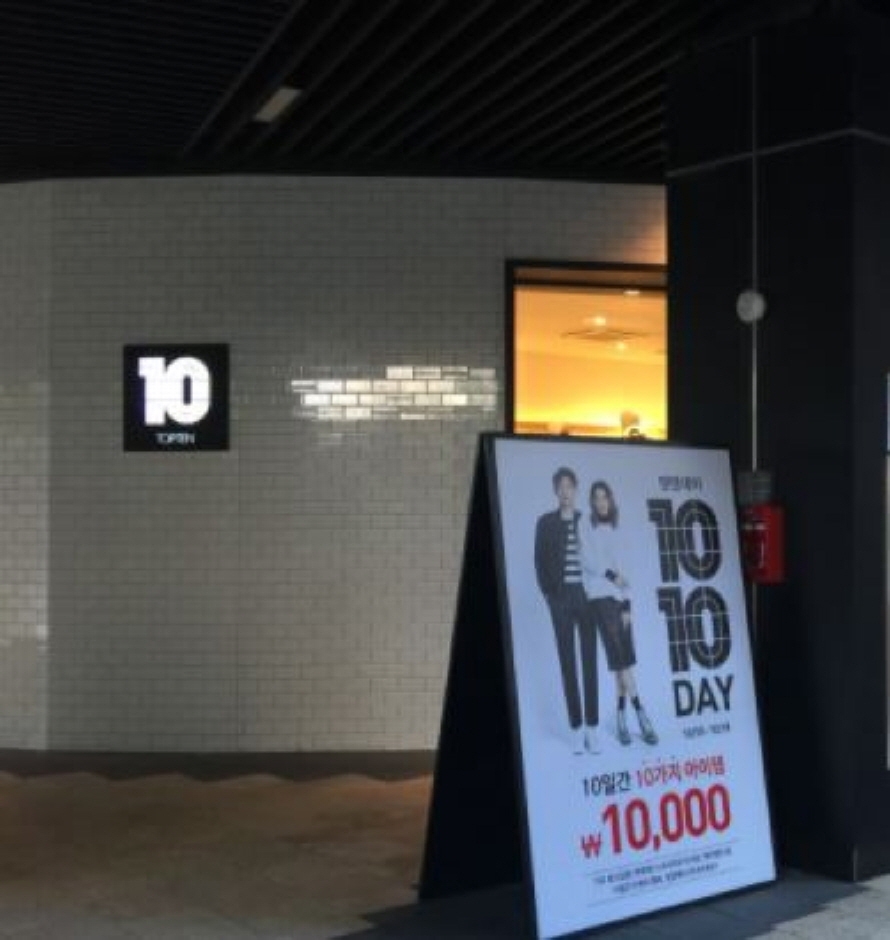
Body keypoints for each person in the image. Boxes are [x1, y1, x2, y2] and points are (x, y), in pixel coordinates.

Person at [581, 480, 658, 746]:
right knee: (622, 662)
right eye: (596, 497)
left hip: (619, 602)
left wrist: (628, 605)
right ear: (592, 502)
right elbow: (587, 560)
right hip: (600, 600)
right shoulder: (587, 527)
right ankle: (642, 714)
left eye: (605, 497)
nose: (601, 502)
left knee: (621, 663)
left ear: (610, 500)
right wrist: (612, 576)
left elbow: (628, 572)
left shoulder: (618, 530)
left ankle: (621, 717)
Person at [534, 467, 600, 754]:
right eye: (560, 486)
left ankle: (592, 729)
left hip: (587, 598)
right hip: (560, 599)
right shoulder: (545, 523)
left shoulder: (587, 521)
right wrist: (550, 596)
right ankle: (575, 728)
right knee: (567, 661)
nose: (565, 491)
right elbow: (538, 561)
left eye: (569, 486)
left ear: (575, 489)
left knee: (589, 661)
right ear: (555, 490)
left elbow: (600, 558)